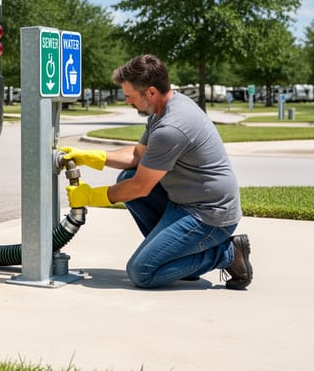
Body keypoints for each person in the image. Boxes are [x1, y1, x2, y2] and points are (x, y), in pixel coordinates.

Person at [61, 54, 252, 290]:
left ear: (151, 92)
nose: (127, 102)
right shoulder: (163, 110)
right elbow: (138, 156)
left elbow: (140, 187)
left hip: (210, 215)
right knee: (126, 176)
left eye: (130, 96)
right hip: (185, 202)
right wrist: (92, 157)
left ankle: (228, 253)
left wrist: (91, 196)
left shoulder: (171, 127)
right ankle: (179, 257)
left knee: (142, 272)